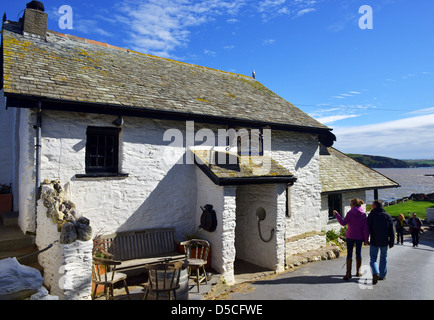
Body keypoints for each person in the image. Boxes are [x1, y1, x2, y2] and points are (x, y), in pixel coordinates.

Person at [333, 198, 369, 281]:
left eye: (350, 204)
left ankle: (348, 273)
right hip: (360, 237)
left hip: (350, 236)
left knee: (349, 254)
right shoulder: (363, 214)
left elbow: (343, 223)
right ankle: (358, 271)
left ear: (353, 205)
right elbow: (365, 228)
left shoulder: (350, 213)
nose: (349, 206)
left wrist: (337, 215)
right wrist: (366, 239)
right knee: (358, 253)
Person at [367, 200, 395, 284]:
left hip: (374, 240)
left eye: (372, 205)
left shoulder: (371, 215)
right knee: (383, 258)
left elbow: (367, 228)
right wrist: (392, 242)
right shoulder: (387, 216)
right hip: (385, 241)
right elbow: (391, 230)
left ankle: (376, 272)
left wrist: (365, 238)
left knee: (373, 258)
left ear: (375, 206)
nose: (371, 206)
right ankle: (382, 275)